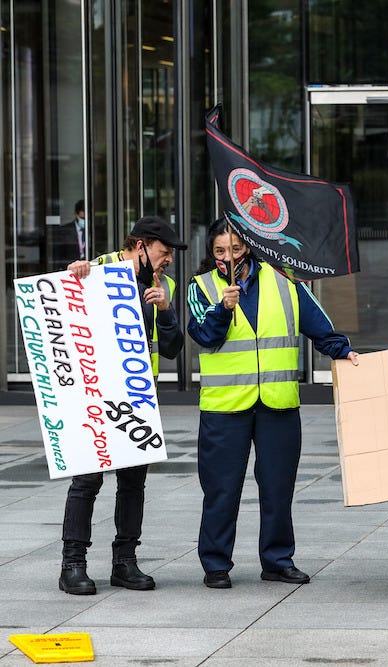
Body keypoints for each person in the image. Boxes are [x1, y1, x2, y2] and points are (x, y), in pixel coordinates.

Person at [187, 219, 360, 589]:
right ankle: (216, 564)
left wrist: (344, 352)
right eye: (219, 251)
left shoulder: (285, 281)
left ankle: (278, 560)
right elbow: (204, 335)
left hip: (277, 404)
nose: (227, 257)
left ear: (246, 247)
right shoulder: (200, 286)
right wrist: (222, 309)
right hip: (225, 406)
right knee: (221, 488)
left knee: (278, 487)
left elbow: (319, 326)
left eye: (233, 249)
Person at [59, 215, 187, 595]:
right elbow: (63, 317)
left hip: (138, 398)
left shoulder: (165, 286)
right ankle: (73, 564)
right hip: (95, 396)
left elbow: (173, 348)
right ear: (142, 245)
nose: (168, 261)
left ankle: (125, 561)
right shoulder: (97, 270)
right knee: (86, 481)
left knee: (133, 484)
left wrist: (165, 311)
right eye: (164, 253)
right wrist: (72, 275)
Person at [50, 199, 88, 269]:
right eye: (82, 218)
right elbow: (59, 255)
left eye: (87, 218)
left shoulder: (95, 231)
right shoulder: (64, 231)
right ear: (76, 214)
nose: (85, 220)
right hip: (70, 270)